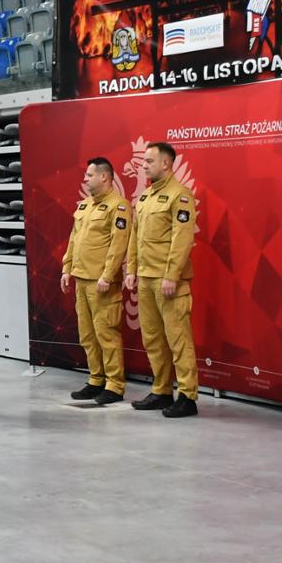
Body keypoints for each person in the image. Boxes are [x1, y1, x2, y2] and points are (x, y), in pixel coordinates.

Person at [126, 141, 200, 418]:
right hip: (145, 279)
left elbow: (182, 240)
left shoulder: (179, 196)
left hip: (168, 281)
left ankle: (188, 397)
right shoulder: (145, 198)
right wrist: (131, 269)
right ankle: (161, 391)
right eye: (144, 161)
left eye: (148, 162)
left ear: (166, 164)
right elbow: (135, 236)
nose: (144, 166)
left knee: (178, 339)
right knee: (153, 339)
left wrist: (172, 274)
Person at [60, 156, 131, 407]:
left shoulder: (119, 206)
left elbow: (118, 245)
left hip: (102, 282)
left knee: (106, 334)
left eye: (89, 175)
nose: (85, 179)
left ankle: (114, 385)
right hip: (81, 279)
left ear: (104, 176)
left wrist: (108, 276)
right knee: (87, 335)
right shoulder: (85, 206)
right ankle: (96, 379)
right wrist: (66, 268)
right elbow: (73, 239)